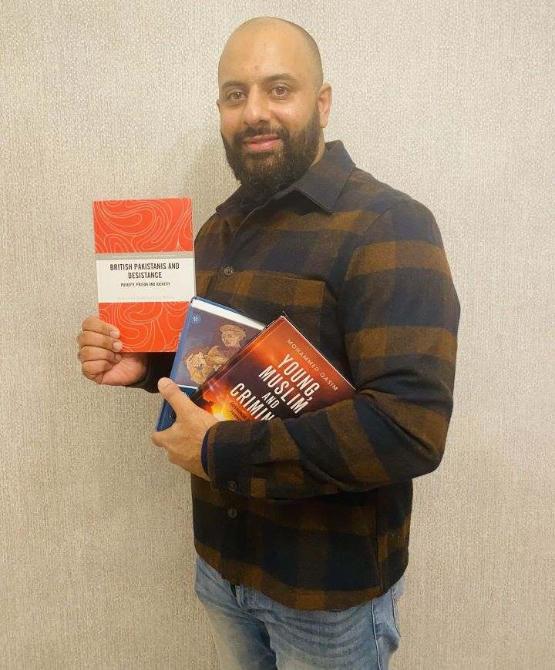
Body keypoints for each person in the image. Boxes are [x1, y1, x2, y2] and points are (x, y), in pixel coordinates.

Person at [77, 16, 459, 670]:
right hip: (222, 564)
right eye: (234, 94)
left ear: (322, 101)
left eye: (277, 88)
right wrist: (144, 364)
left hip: (325, 593)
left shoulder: (389, 223)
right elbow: (218, 365)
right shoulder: (219, 229)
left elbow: (409, 427)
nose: (254, 111)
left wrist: (220, 451)